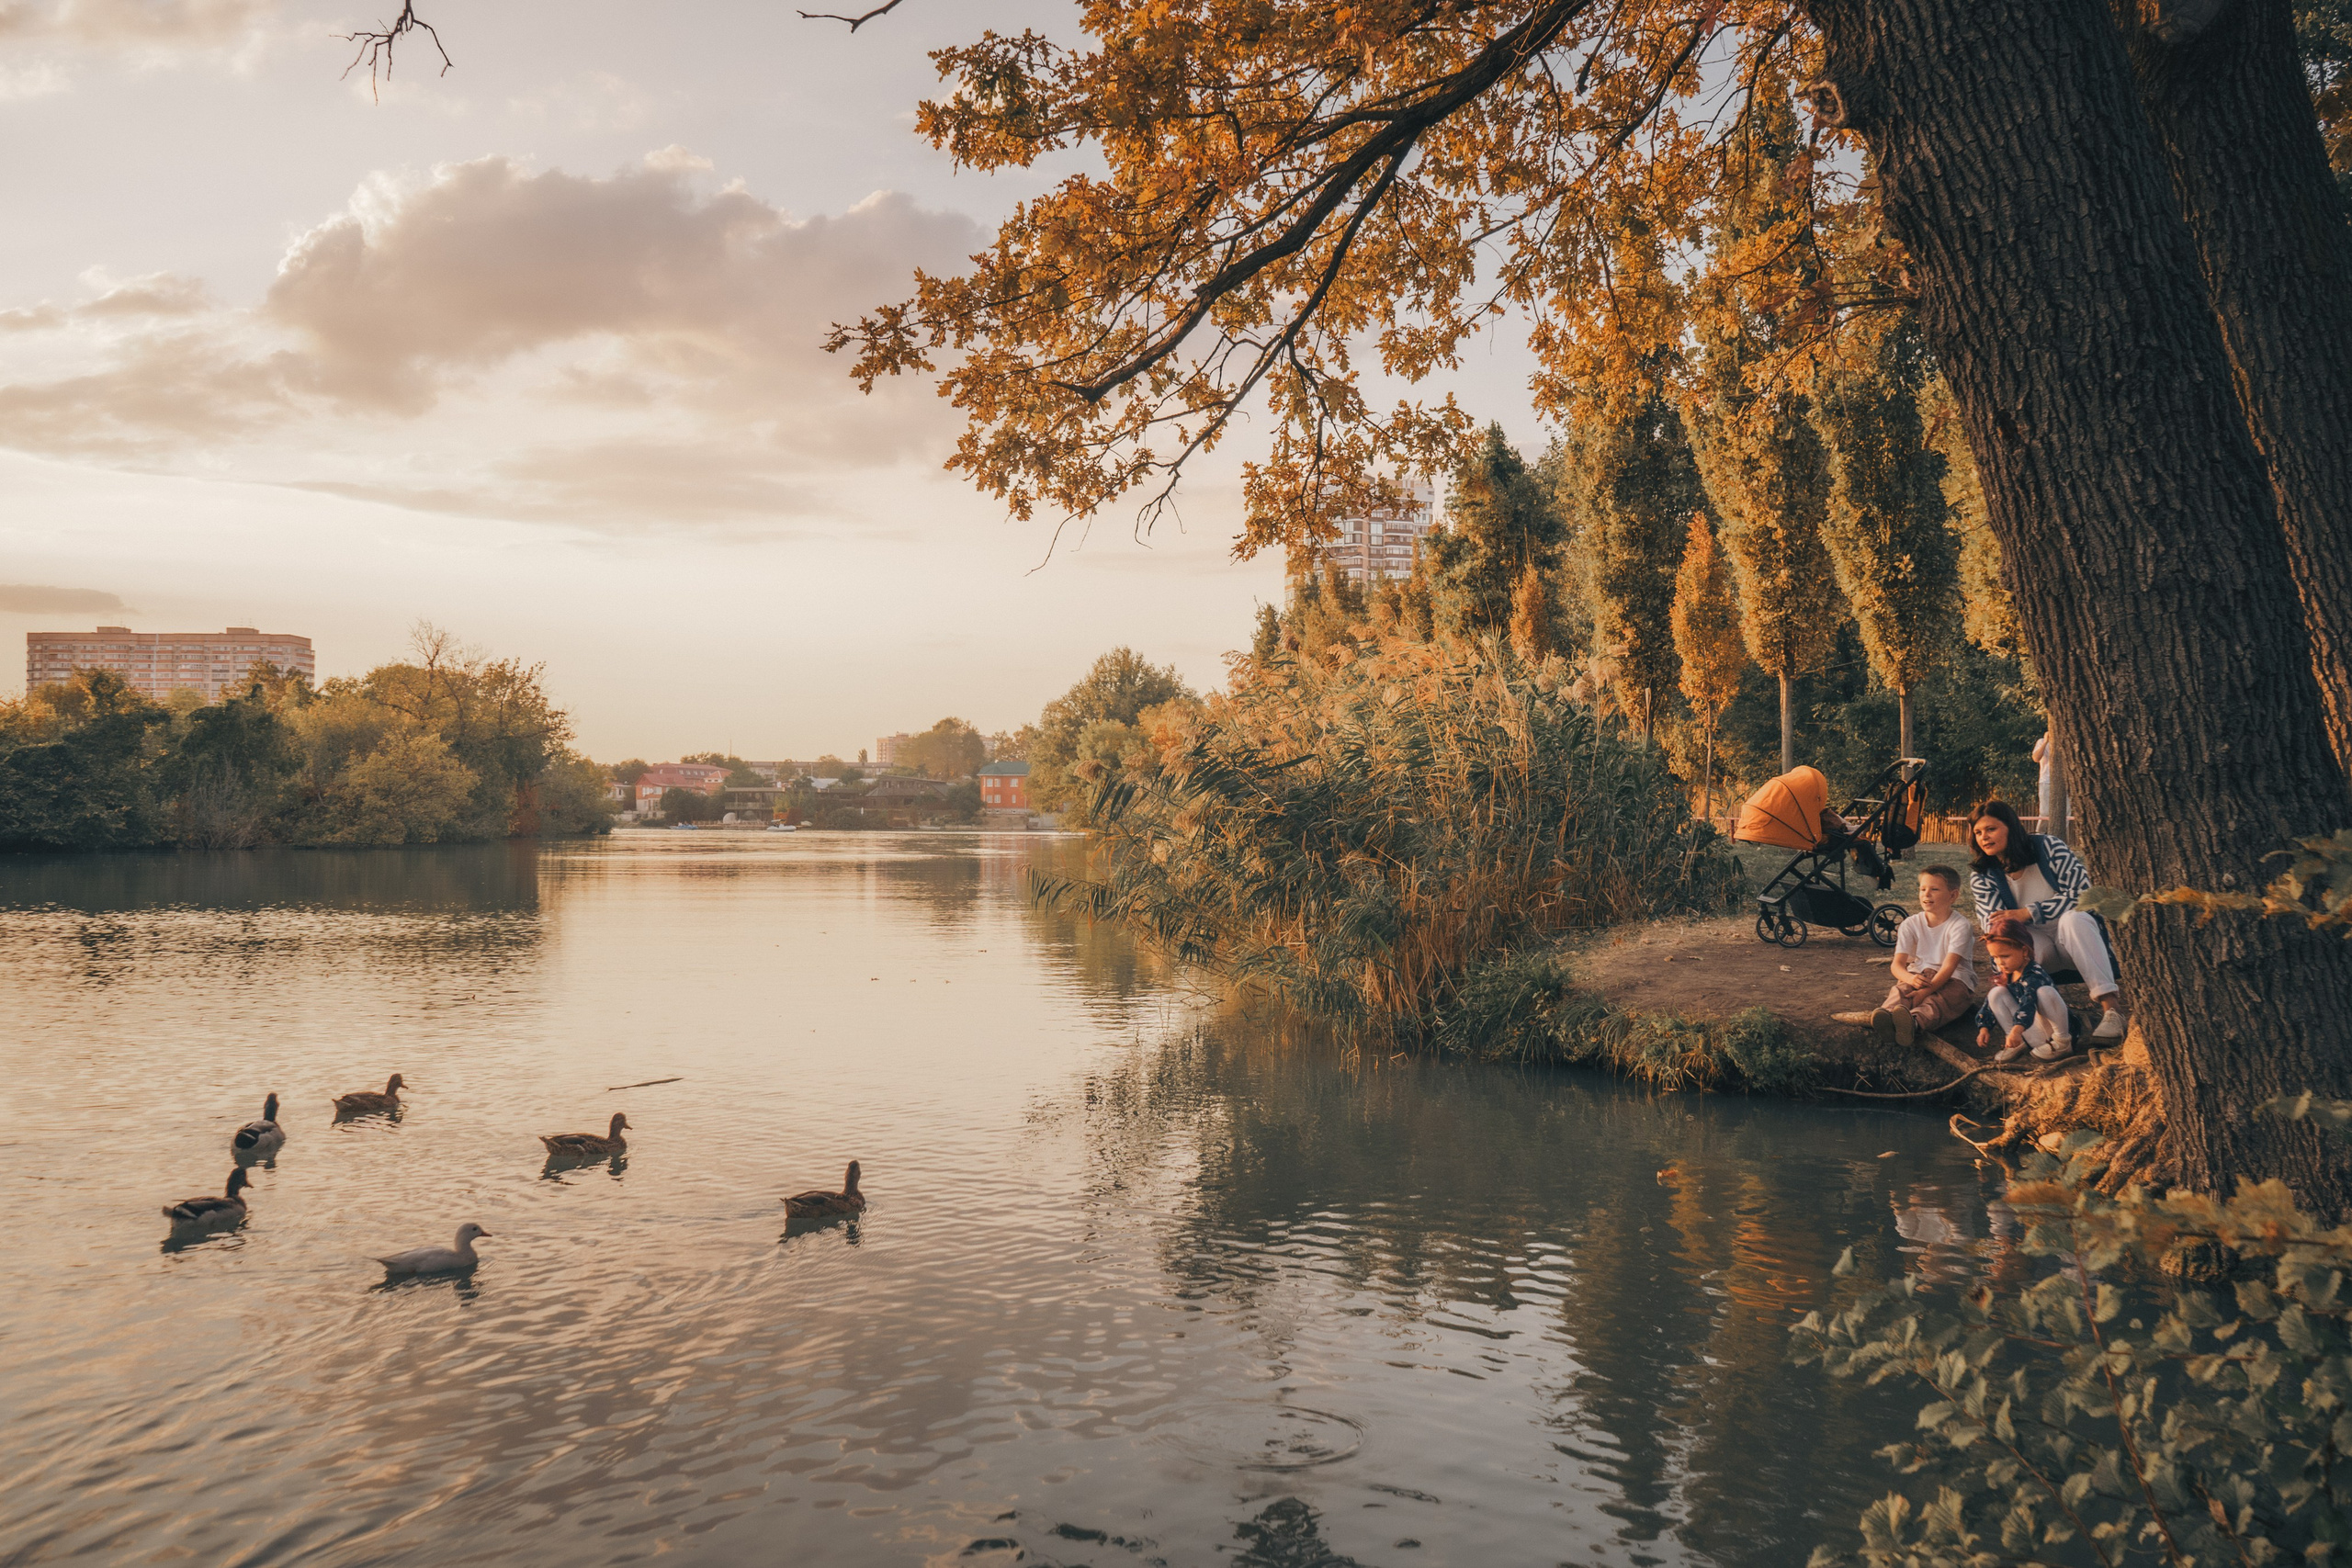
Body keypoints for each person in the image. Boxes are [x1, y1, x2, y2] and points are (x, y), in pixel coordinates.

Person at [1967, 798, 2128, 1043]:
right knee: (2018, 943)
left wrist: (2029, 913)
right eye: (1978, 832)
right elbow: (1997, 927)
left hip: (2076, 940)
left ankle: (2112, 1011)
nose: (1984, 837)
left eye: (1991, 829)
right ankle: (2054, 1026)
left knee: (2074, 919)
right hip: (2035, 945)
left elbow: (2083, 894)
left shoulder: (2049, 847)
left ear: (2010, 827)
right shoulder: (1983, 876)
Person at [1872, 863, 1977, 1046]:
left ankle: (1913, 1023)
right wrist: (1912, 981)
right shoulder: (1910, 924)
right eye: (1922, 889)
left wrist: (1926, 992)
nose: (1926, 894)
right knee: (1901, 991)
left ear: (1953, 895)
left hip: (1954, 978)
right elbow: (1897, 965)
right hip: (1919, 975)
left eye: (1934, 889)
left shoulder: (1960, 925)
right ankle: (1887, 1017)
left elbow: (1949, 966)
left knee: (1939, 1001)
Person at [1976, 927, 2073, 1063]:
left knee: (2045, 992)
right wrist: (1984, 1027)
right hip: (2030, 1031)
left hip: (2049, 1029)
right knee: (1996, 993)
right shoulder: (2007, 974)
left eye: (2005, 956)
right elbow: (1988, 1004)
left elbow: (2028, 1003)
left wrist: (2017, 1030)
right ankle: (2016, 1043)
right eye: (1995, 957)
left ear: (2024, 951)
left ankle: (2062, 1043)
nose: (2000, 962)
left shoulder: (2034, 974)